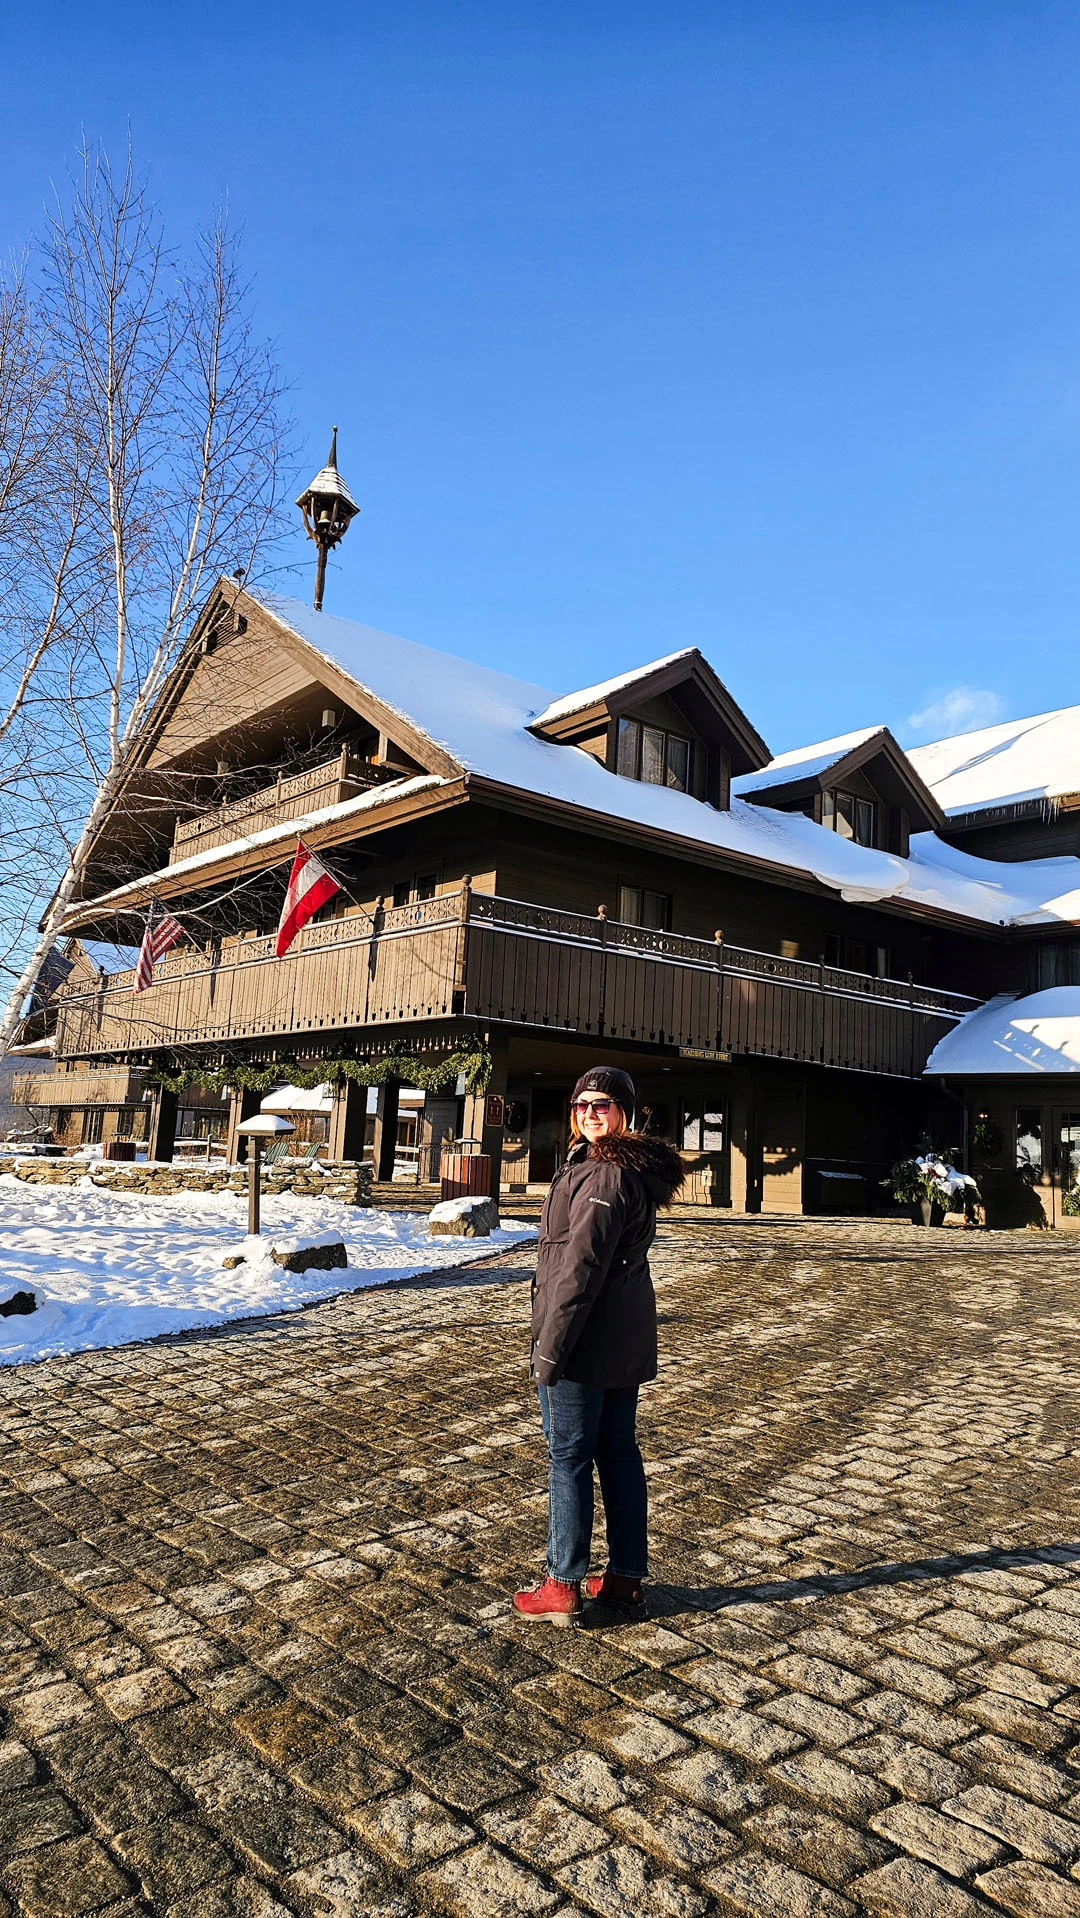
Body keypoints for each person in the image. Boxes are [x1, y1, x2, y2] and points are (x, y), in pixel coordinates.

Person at [513, 1066, 684, 1625]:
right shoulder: (603, 1166)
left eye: (604, 1104)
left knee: (569, 1457)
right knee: (616, 1452)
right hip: (618, 1336)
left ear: (626, 1113)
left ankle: (562, 1582)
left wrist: (549, 1349)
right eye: (582, 1103)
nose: (591, 1111)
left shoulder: (606, 1176)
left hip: (585, 1340)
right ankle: (626, 1578)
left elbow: (579, 1269)